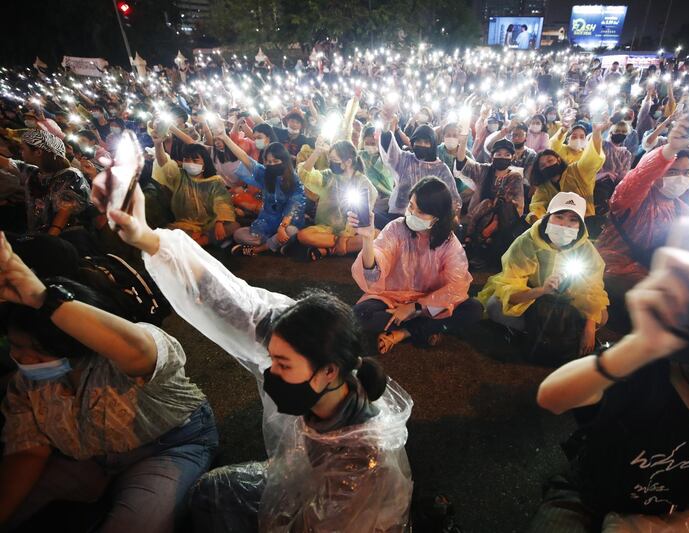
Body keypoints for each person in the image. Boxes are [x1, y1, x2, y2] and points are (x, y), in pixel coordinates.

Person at [91, 182, 413, 532]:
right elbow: (235, 302)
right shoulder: (309, 357)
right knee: (211, 493)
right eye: (272, 359)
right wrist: (149, 240)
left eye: (282, 364)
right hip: (299, 480)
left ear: (328, 372)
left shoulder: (361, 459)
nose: (269, 370)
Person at [531, 246, 689, 533]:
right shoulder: (646, 371)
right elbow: (552, 397)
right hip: (587, 496)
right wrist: (639, 345)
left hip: (681, 512)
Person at [0, 233, 217, 532]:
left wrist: (42, 298)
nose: (20, 358)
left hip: (167, 446)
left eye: (34, 351)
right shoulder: (26, 385)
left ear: (69, 343)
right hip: (91, 457)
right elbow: (29, 451)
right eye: (14, 346)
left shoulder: (118, 350)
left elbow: (139, 349)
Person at [352, 177, 482, 354]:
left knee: (473, 310)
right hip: (392, 298)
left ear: (437, 217)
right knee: (360, 314)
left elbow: (456, 287)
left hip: (431, 303)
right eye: (411, 206)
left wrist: (416, 308)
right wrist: (367, 239)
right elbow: (373, 273)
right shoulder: (396, 228)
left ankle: (404, 332)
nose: (412, 214)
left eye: (421, 212)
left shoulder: (449, 243)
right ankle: (426, 329)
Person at [478, 193, 608, 360]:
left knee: (601, 316)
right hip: (534, 300)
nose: (565, 225)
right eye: (559, 217)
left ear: (580, 226)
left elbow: (593, 289)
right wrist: (542, 290)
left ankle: (537, 332)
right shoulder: (526, 242)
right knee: (495, 306)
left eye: (573, 220)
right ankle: (543, 332)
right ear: (547, 217)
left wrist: (589, 329)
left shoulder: (586, 249)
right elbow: (511, 285)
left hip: (570, 303)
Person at [595, 117, 689, 332]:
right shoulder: (633, 196)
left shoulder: (682, 210)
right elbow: (640, 176)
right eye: (672, 172)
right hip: (616, 268)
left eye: (687, 173)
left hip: (653, 272)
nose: (680, 178)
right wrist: (670, 149)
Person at [219, 135, 306, 256]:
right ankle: (278, 244)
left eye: (276, 161)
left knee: (291, 231)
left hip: (287, 223)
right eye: (268, 162)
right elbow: (245, 158)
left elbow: (294, 206)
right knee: (238, 234)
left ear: (284, 161)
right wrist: (225, 137)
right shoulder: (265, 174)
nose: (271, 164)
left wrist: (282, 227)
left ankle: (260, 249)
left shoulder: (294, 180)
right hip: (267, 222)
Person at [151, 130, 239, 247]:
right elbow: (164, 165)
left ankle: (202, 240)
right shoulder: (179, 175)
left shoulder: (214, 181)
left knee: (234, 226)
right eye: (187, 160)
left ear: (204, 162)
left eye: (195, 160)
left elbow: (222, 202)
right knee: (173, 235)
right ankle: (199, 242)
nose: (190, 163)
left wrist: (219, 222)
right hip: (184, 224)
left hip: (208, 224)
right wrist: (158, 144)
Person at [0, 129, 92, 237]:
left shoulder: (70, 176)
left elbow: (64, 215)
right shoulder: (36, 173)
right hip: (36, 235)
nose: (21, 152)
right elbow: (10, 164)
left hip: (62, 241)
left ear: (38, 152)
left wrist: (46, 242)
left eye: (23, 148)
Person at [297, 139, 378, 259]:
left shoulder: (363, 184)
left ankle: (327, 250)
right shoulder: (329, 176)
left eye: (334, 160)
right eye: (330, 160)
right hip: (325, 229)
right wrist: (317, 152)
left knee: (377, 235)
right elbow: (305, 175)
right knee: (303, 236)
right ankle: (337, 248)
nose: (331, 163)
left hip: (353, 232)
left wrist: (344, 237)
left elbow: (360, 219)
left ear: (348, 162)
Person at [379, 116, 461, 226]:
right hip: (398, 216)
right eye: (418, 141)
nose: (422, 145)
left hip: (425, 222)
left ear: (432, 144)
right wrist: (385, 127)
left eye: (426, 142)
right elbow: (390, 152)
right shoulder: (405, 159)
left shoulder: (441, 169)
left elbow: (453, 200)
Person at [455, 138, 525, 267]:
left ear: (512, 157)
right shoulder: (484, 171)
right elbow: (462, 162)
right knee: (485, 204)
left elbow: (516, 205)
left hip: (502, 221)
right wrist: (463, 138)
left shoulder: (515, 177)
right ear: (492, 156)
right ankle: (471, 245)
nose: (502, 157)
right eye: (498, 154)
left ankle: (479, 248)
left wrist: (493, 224)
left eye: (506, 155)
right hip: (478, 216)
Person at [527, 119, 608, 224]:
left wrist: (596, 134)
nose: (547, 165)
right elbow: (537, 205)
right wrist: (539, 220)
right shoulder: (545, 187)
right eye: (543, 165)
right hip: (555, 225)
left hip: (584, 220)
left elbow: (592, 159)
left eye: (550, 161)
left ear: (558, 159)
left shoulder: (576, 171)